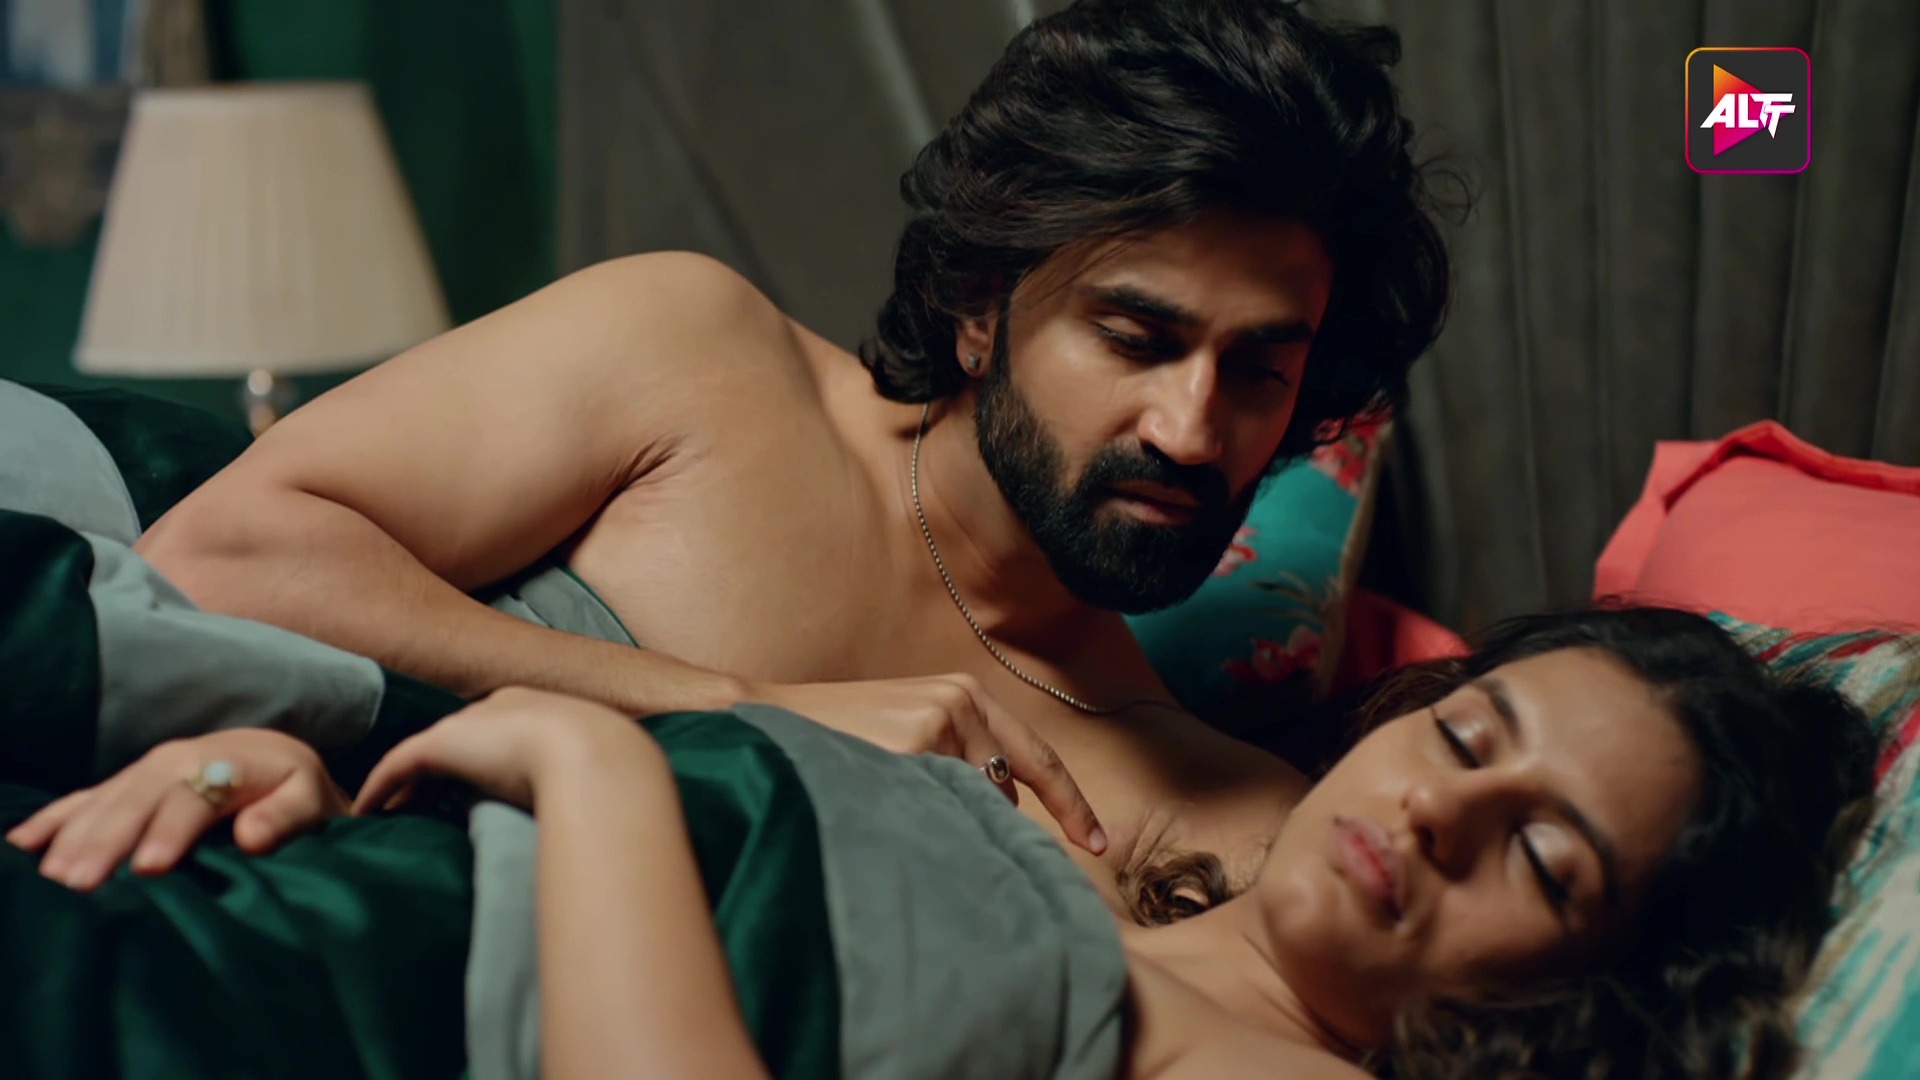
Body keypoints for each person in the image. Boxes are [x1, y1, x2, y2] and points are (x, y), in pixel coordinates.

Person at [130, 0, 1453, 907]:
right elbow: (216, 559)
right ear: (981, 306)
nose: (1191, 428)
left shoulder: (1211, 814)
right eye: (1134, 337)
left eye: (1258, 369)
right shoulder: (700, 358)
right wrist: (738, 707)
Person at [10, 607, 1878, 1080]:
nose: (1438, 811)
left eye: (1544, 865)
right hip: (231, 900)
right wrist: (277, 765)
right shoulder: (1106, 861)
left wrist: (585, 765)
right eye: (1466, 736)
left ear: (1597, 998)